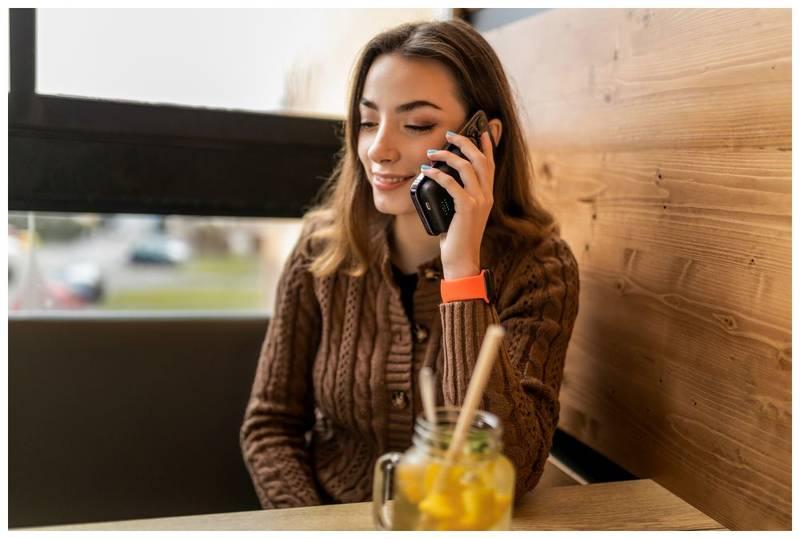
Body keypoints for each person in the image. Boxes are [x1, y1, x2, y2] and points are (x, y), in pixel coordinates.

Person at [240, 18, 579, 509]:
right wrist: (314, 527)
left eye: (417, 125)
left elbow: (512, 464)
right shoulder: (320, 249)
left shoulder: (540, 269)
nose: (379, 149)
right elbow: (269, 426)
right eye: (368, 120)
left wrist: (461, 270)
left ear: (484, 139)